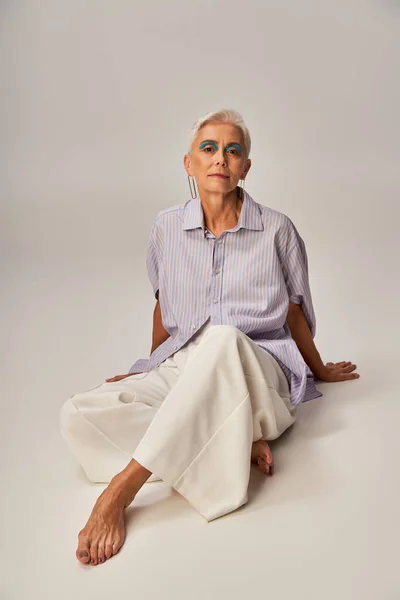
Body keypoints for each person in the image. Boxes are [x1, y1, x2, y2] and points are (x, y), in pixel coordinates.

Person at [60, 108, 360, 567]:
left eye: (232, 150)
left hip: (258, 368)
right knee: (78, 413)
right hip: (187, 362)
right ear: (189, 164)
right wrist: (152, 366)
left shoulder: (277, 229)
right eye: (209, 148)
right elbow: (164, 304)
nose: (221, 157)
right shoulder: (165, 228)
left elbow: (295, 310)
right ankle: (231, 436)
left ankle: (123, 489)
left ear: (245, 168)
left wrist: (318, 369)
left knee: (222, 337)